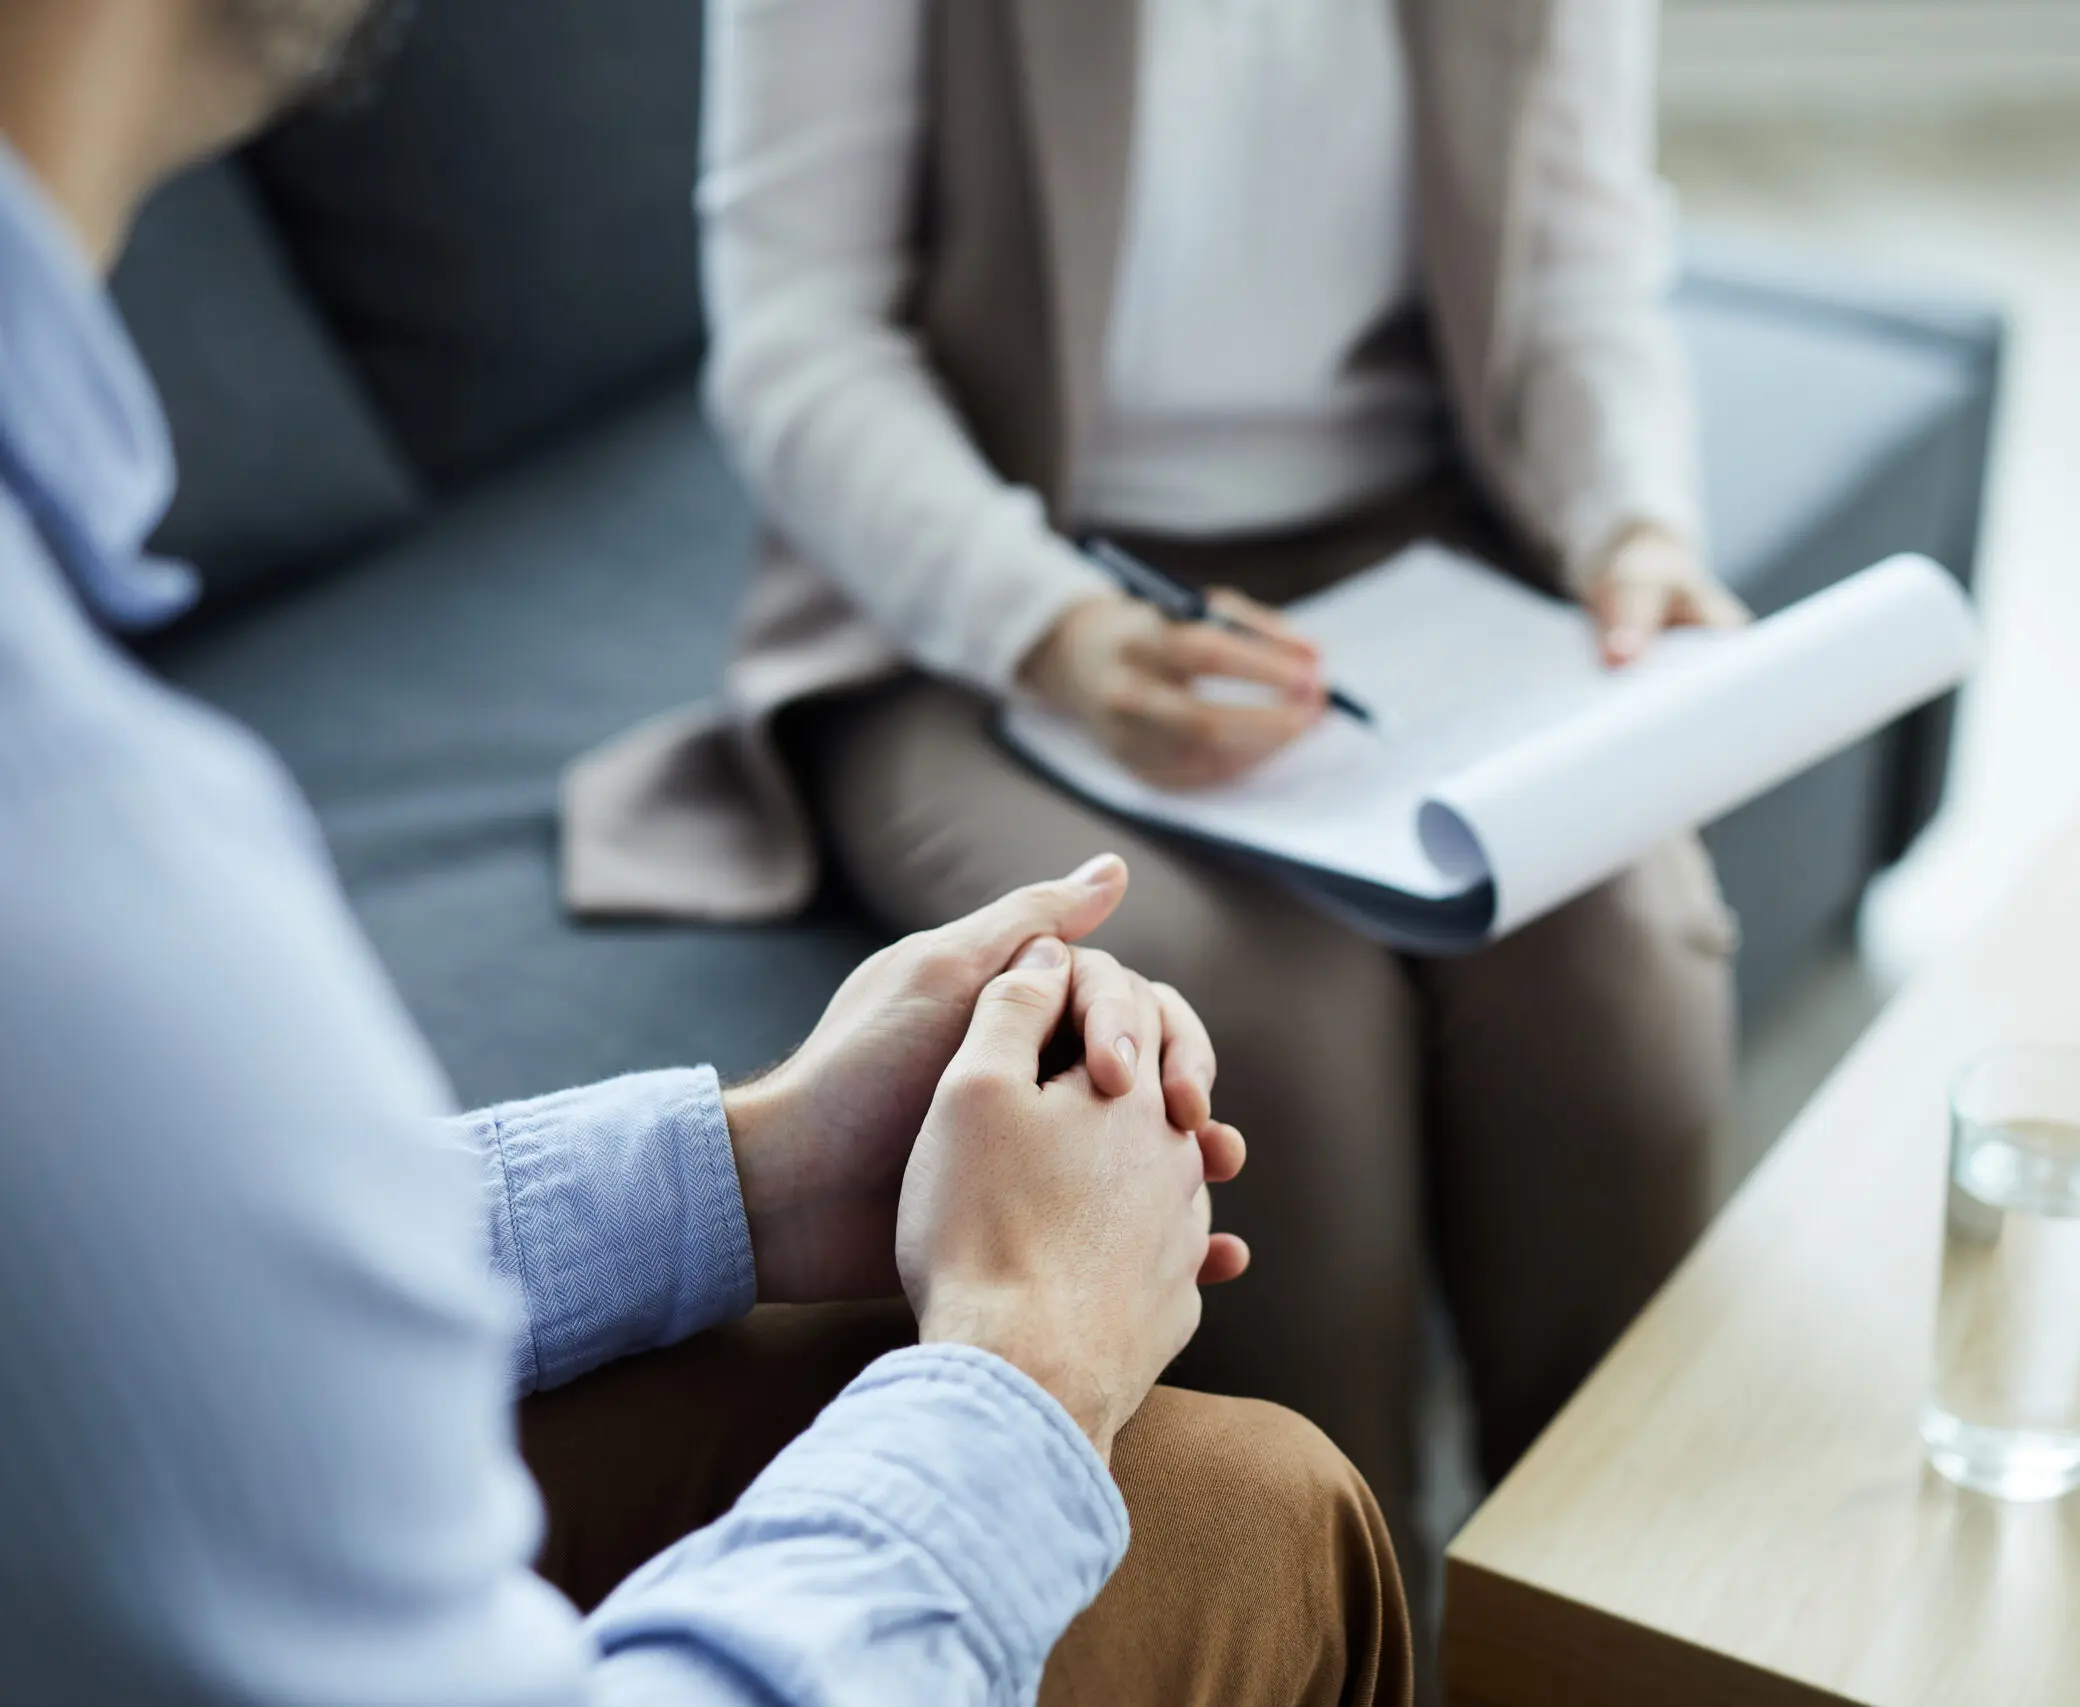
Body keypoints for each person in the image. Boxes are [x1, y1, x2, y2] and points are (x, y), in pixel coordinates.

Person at [0, 2, 1408, 1703]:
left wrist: (743, 1171)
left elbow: (134, 1277)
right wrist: (1022, 1365)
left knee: (1240, 1501)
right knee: (1249, 1526)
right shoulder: (82, 853)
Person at [567, 0, 1747, 1575]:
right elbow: (797, 334)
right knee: (1238, 1056)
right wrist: (1045, 623)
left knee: (1625, 1011)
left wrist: (1635, 522)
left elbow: (1585, 260)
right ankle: (1342, 1628)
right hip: (999, 592)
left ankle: (1607, 1632)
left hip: (1417, 565)